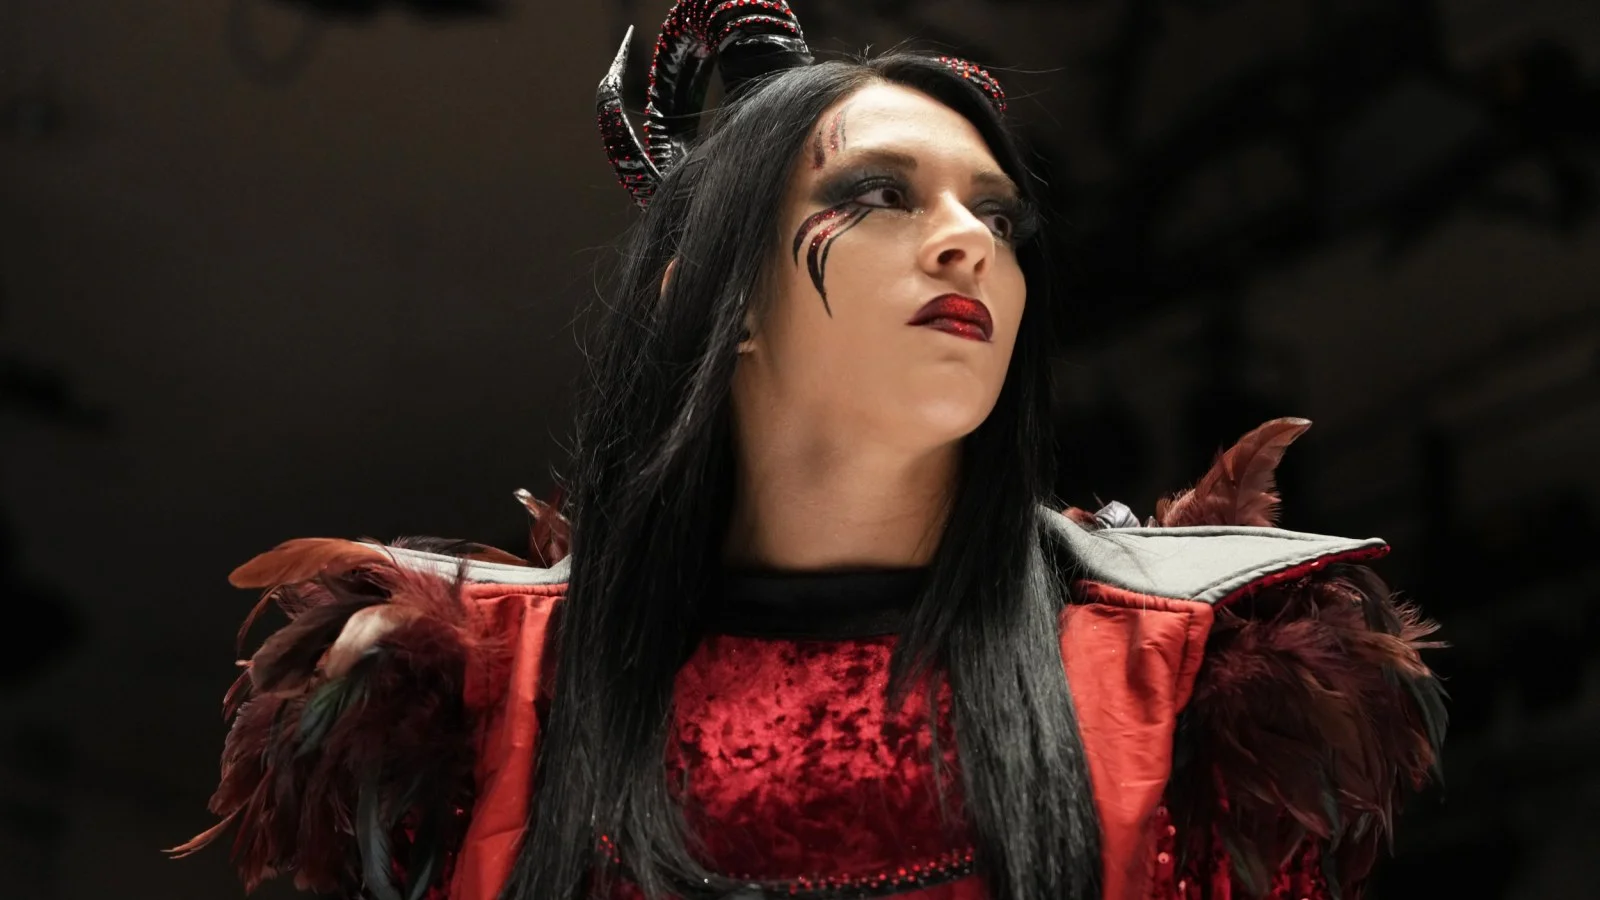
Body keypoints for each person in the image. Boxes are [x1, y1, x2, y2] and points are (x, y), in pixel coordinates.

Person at [171, 2, 1445, 898]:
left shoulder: (1183, 675)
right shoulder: (475, 698)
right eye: (877, 194)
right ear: (707, 295)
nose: (969, 242)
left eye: (996, 216)